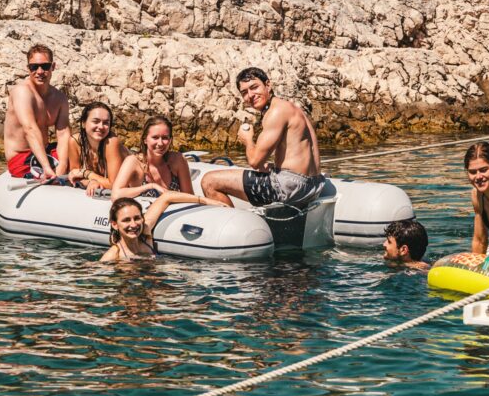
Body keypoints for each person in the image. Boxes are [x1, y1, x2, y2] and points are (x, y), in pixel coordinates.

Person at [201, 67, 324, 208]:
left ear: (268, 85)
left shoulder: (275, 112)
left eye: (254, 87)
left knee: (209, 181)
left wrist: (248, 139)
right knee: (265, 169)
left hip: (291, 187)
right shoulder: (291, 107)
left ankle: (233, 226)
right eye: (244, 92)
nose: (250, 95)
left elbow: (254, 162)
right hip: (314, 184)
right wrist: (274, 167)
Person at [3, 44, 70, 180]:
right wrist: (47, 168)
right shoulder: (22, 92)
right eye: (34, 67)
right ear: (28, 68)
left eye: (45, 66)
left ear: (53, 67)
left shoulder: (60, 98)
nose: (39, 71)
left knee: (78, 146)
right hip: (22, 157)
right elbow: (30, 129)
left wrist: (63, 164)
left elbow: (63, 134)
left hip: (45, 152)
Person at [100, 192, 227, 262]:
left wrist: (206, 201)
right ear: (115, 224)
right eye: (126, 220)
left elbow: (166, 197)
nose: (133, 224)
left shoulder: (145, 231)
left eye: (137, 218)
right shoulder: (113, 255)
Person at [111, 116, 195, 200]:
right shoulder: (133, 162)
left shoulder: (178, 160)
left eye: (165, 138)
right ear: (145, 139)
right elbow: (115, 195)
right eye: (155, 137)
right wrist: (150, 186)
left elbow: (190, 196)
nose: (160, 143)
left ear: (170, 140)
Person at [67, 102, 128, 196]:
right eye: (95, 121)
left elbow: (114, 184)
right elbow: (74, 176)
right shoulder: (74, 142)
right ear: (83, 123)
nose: (101, 127)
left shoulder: (111, 142)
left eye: (106, 123)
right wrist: (91, 182)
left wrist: (87, 174)